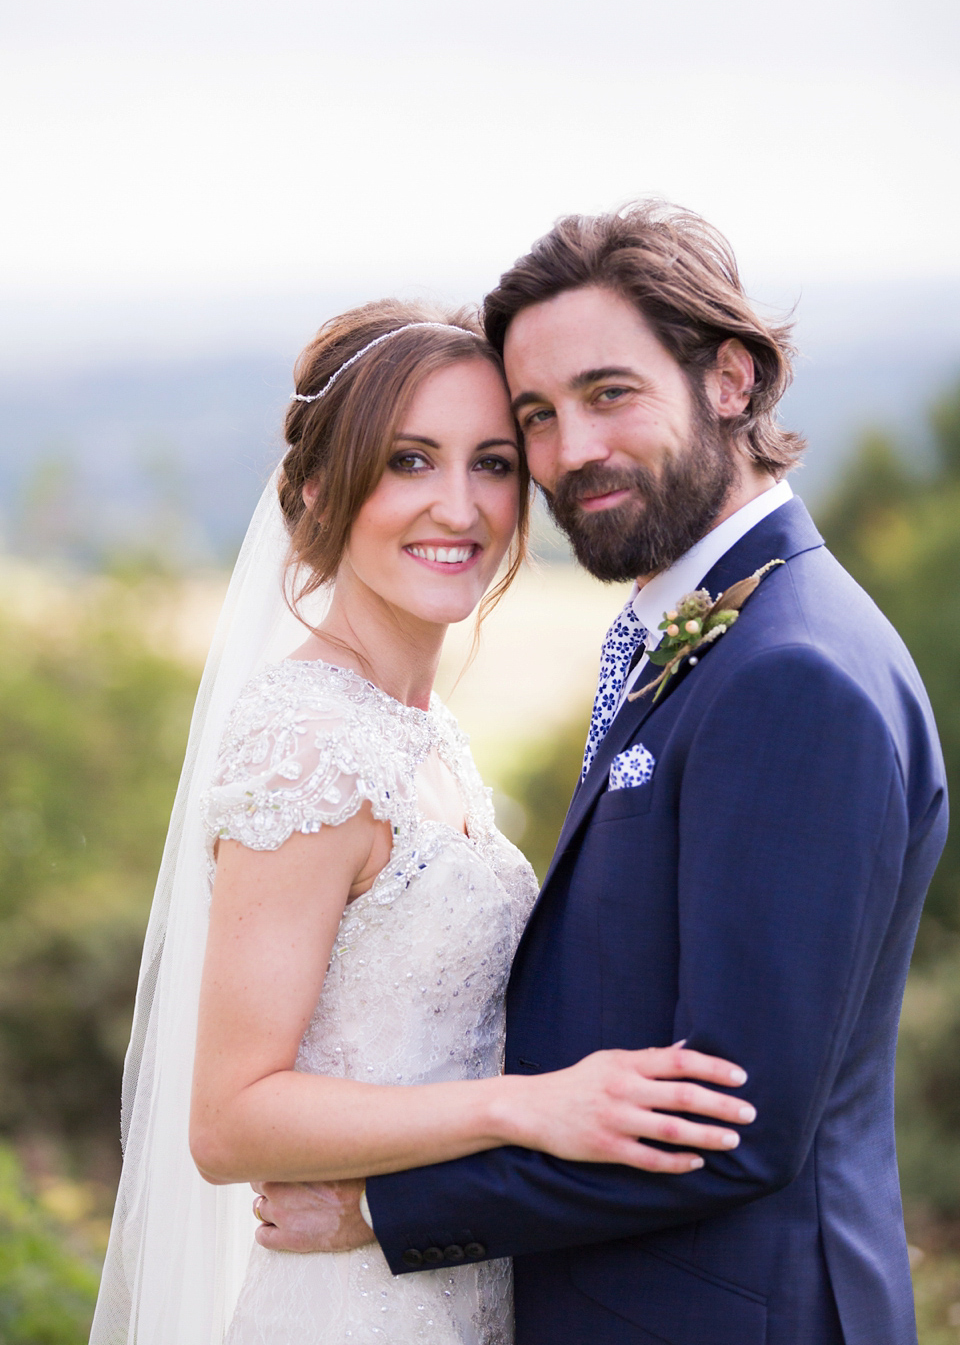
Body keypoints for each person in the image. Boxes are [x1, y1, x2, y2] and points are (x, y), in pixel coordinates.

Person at [256, 206, 948, 1345]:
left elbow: (734, 1124)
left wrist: (385, 1209)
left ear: (729, 378)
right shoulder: (701, 631)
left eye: (609, 393)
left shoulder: (794, 673)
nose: (572, 451)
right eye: (538, 416)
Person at [89, 299, 754, 1345]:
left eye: (492, 463)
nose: (459, 507)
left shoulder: (422, 727)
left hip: (453, 1285)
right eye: (409, 461)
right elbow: (229, 1120)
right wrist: (520, 1108)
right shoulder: (308, 743)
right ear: (316, 491)